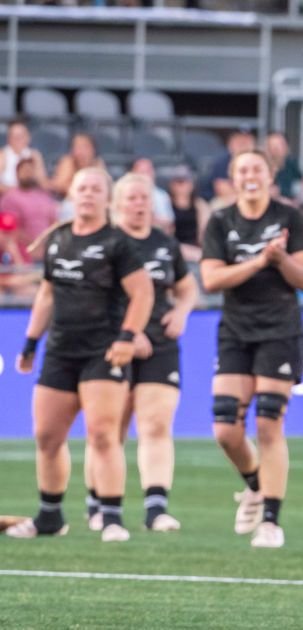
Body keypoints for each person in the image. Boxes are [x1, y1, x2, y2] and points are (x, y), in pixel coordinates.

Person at [7, 166, 154, 542]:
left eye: (94, 189)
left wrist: (126, 338)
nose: (87, 194)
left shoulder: (118, 243)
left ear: (107, 198)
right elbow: (47, 295)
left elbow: (143, 294)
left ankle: (112, 517)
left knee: (102, 433)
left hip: (102, 353)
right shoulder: (57, 239)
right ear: (72, 195)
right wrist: (30, 343)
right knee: (46, 436)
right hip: (60, 351)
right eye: (81, 189)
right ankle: (50, 517)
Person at [200, 148, 303, 549]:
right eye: (242, 169)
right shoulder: (220, 221)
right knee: (226, 429)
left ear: (270, 176)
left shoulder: (290, 218)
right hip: (235, 331)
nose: (250, 175)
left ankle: (271, 520)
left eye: (257, 169)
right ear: (233, 177)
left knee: (268, 424)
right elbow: (211, 280)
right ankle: (253, 485)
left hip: (280, 330)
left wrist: (280, 259)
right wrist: (258, 261)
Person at [82, 173, 199, 533]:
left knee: (156, 423)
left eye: (144, 198)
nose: (138, 204)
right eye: (131, 198)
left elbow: (187, 287)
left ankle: (155, 509)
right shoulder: (105, 243)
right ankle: (99, 503)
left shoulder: (165, 244)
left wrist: (181, 311)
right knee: (108, 429)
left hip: (160, 342)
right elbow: (88, 299)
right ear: (116, 204)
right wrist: (128, 335)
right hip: (111, 343)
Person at [0, 157, 59, 263]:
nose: (28, 173)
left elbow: (54, 223)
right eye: (24, 170)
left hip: (46, 251)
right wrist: (33, 245)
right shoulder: (10, 197)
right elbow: (9, 230)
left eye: (30, 170)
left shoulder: (44, 197)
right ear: (17, 173)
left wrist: (44, 245)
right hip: (22, 252)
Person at [167, 164, 209, 263]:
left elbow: (204, 233)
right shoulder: (166, 204)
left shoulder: (200, 205)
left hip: (195, 246)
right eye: (179, 182)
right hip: (175, 247)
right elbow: (167, 236)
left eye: (186, 181)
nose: (182, 186)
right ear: (172, 184)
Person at [203, 129, 256, 204]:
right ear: (231, 143)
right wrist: (253, 189)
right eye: (240, 141)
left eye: (247, 141)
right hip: (221, 200)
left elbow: (270, 189)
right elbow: (224, 191)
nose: (243, 145)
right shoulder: (222, 161)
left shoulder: (258, 161)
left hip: (247, 198)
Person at [50, 133, 106, 200]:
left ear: (93, 149)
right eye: (77, 147)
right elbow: (59, 186)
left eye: (85, 147)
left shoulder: (98, 164)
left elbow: (102, 189)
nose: (80, 152)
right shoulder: (68, 162)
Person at [0, 119, 48, 195]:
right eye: (14, 136)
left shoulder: (35, 155)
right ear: (8, 138)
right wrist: (19, 191)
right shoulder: (2, 155)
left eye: (21, 136)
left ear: (28, 137)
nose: (18, 139)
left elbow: (43, 183)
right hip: (9, 197)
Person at [130, 158, 176, 236]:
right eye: (141, 171)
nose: (145, 174)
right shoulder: (126, 194)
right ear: (133, 173)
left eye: (148, 170)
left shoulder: (162, 195)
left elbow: (170, 223)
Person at [266, 132, 303, 203]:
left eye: (279, 145)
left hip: (288, 203)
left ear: (286, 147)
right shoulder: (261, 165)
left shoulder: (291, 163)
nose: (275, 149)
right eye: (271, 145)